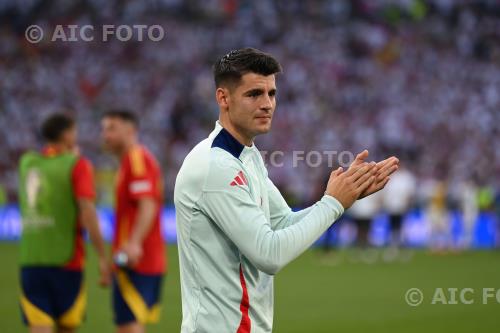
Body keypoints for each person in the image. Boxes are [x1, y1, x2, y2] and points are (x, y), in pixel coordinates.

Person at [174, 48, 399, 332]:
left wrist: (345, 196)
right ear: (223, 98)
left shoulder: (246, 156)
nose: (267, 104)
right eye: (254, 94)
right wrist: (332, 204)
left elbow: (282, 222)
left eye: (272, 93)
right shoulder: (215, 166)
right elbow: (269, 254)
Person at [18, 113, 110, 333]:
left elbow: (49, 162)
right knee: (66, 327)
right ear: (67, 134)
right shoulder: (77, 165)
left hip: (31, 260)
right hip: (67, 262)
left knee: (38, 326)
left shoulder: (27, 163)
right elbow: (87, 211)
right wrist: (101, 256)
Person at [101, 110, 166, 333]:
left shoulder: (137, 159)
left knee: (129, 325)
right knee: (126, 325)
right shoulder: (127, 162)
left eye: (111, 128)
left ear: (130, 131)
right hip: (129, 259)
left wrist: (134, 243)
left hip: (139, 260)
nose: (105, 135)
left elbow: (147, 204)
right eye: (104, 129)